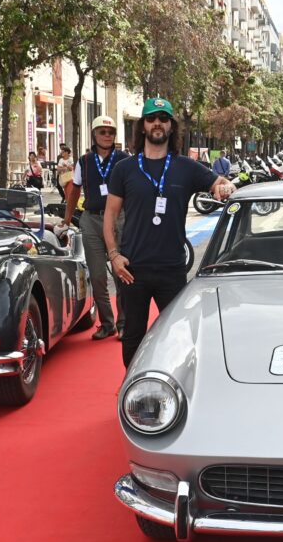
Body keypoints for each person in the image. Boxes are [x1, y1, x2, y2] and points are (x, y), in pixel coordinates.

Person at [104, 98, 235, 367]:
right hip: (133, 269)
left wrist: (226, 186)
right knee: (133, 336)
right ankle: (133, 388)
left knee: (179, 334)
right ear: (142, 126)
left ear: (171, 127)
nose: (157, 124)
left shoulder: (185, 167)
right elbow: (109, 216)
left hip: (172, 269)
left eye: (163, 119)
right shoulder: (124, 169)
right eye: (151, 119)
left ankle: (173, 386)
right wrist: (114, 255)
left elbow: (218, 183)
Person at [62, 115, 129, 341]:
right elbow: (74, 191)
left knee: (122, 274)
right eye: (102, 132)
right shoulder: (84, 161)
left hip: (120, 220)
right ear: (94, 135)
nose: (107, 136)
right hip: (91, 220)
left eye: (110, 132)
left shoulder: (124, 159)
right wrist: (66, 218)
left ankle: (124, 324)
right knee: (98, 275)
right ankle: (107, 323)